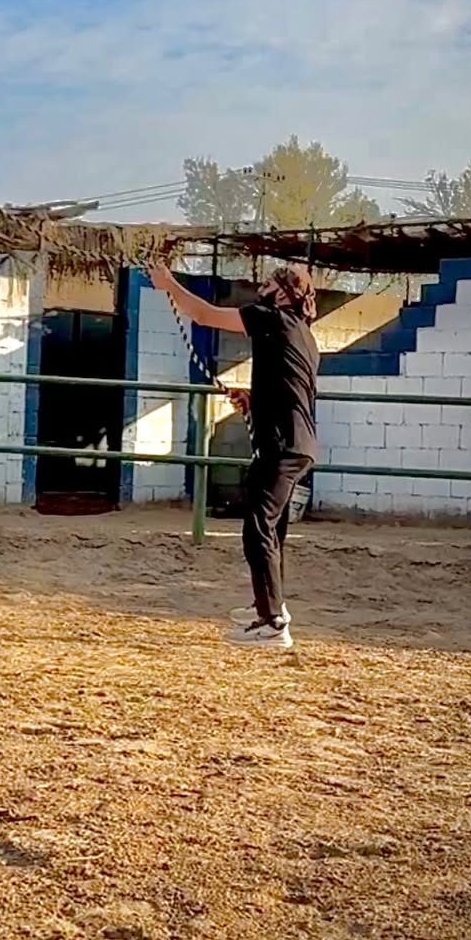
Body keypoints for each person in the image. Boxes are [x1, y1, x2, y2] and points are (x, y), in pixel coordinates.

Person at [148, 261, 319, 650]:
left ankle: (273, 623)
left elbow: (203, 314)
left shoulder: (270, 318)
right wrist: (254, 401)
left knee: (258, 527)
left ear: (282, 293)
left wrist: (168, 283)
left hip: (281, 446)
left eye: (269, 282)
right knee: (271, 530)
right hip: (299, 444)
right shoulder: (304, 335)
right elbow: (293, 390)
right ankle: (270, 606)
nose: (261, 286)